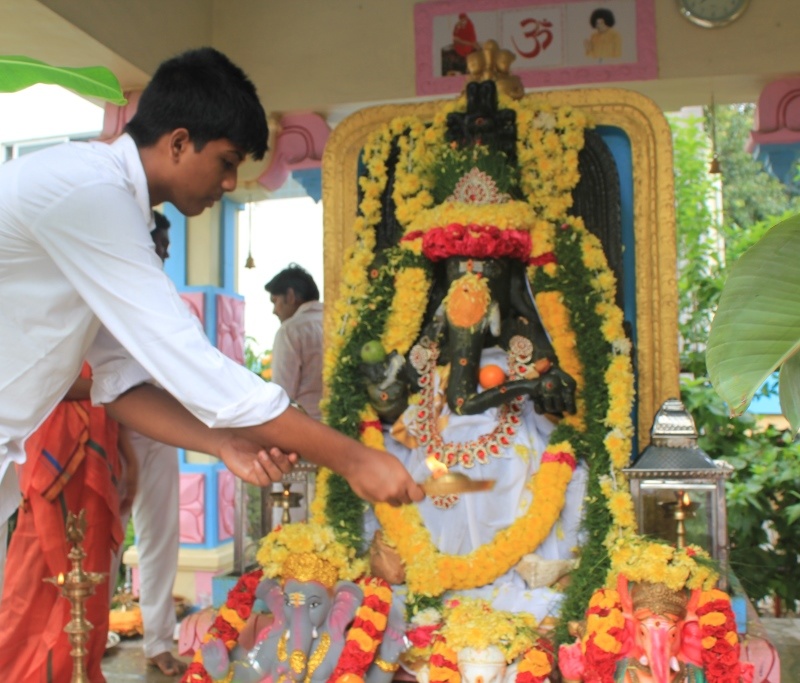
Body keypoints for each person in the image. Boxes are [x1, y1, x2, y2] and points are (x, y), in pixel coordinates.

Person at [0, 46, 423, 681]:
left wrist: (220, 443)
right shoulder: (92, 194)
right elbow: (191, 364)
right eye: (225, 163)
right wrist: (353, 458)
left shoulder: (116, 208)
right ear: (177, 142)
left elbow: (119, 383)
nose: (230, 184)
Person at [0, 364, 134, 681]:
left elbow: (115, 398)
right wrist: (110, 389)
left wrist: (129, 456)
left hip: (99, 457)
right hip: (52, 457)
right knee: (32, 582)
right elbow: (37, 375)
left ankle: (79, 670)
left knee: (92, 575)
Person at [114, 211, 185, 676]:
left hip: (162, 429)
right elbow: (105, 385)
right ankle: (88, 629)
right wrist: (123, 449)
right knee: (105, 537)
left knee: (161, 537)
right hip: (110, 433)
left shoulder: (166, 296)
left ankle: (158, 641)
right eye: (158, 245)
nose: (164, 254)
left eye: (166, 248)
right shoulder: (109, 289)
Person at [264, 264, 324, 421]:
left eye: (275, 301)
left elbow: (281, 396)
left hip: (309, 431)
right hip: (350, 429)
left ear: (290, 296)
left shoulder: (290, 331)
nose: (274, 310)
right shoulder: (339, 322)